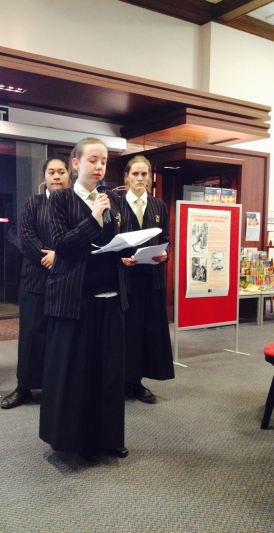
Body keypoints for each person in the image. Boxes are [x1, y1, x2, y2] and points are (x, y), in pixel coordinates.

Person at [39, 138, 129, 462]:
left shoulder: (112, 201)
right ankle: (71, 441)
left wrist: (134, 252)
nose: (99, 167)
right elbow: (62, 245)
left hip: (110, 297)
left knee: (109, 373)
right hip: (75, 300)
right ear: (76, 164)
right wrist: (92, 218)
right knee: (74, 373)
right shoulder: (60, 199)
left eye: (103, 161)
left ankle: (109, 438)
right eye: (92, 160)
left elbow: (119, 241)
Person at [0, 157, 70, 409]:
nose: (56, 176)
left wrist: (59, 257)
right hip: (34, 280)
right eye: (51, 172)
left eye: (61, 171)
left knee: (60, 338)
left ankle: (56, 388)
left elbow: (79, 240)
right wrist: (49, 257)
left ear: (68, 175)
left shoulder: (76, 205)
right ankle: (24, 388)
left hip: (66, 282)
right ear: (45, 178)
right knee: (31, 336)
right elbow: (26, 236)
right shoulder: (33, 203)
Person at [121, 155, 174, 404]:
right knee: (126, 332)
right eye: (135, 174)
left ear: (150, 177)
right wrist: (121, 258)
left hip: (152, 278)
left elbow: (167, 238)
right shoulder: (116, 204)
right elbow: (110, 241)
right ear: (127, 177)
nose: (140, 179)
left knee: (148, 331)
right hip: (126, 279)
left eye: (145, 174)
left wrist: (165, 254)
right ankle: (123, 381)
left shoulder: (158, 205)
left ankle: (138, 382)